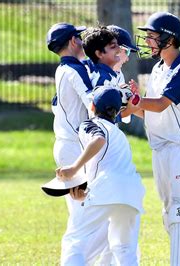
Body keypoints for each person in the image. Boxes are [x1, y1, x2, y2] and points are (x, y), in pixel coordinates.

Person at [126, 11, 180, 265]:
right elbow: (147, 110)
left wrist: (132, 101)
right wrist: (126, 106)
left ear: (169, 39)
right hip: (160, 150)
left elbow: (159, 104)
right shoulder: (159, 69)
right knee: (172, 218)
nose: (148, 41)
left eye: (152, 36)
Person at [56, 86, 145, 265]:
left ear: (93, 107)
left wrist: (73, 168)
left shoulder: (90, 124)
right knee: (125, 249)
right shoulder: (120, 134)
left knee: (74, 240)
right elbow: (114, 172)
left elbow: (99, 140)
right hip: (133, 192)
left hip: (107, 187)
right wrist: (88, 193)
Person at [46, 22, 93, 214]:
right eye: (79, 38)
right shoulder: (75, 69)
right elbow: (93, 103)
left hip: (65, 144)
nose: (83, 42)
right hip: (75, 145)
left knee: (80, 211)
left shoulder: (62, 69)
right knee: (84, 212)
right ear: (73, 41)